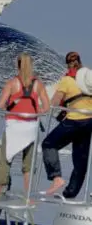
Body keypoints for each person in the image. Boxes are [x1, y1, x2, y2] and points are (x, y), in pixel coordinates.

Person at [0, 53, 50, 203]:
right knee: (28, 164)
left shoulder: (12, 83)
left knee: (5, 160)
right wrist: (35, 111)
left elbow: (1, 105)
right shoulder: (38, 84)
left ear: (18, 65)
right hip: (31, 128)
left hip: (14, 127)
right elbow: (46, 107)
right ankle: (28, 197)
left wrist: (10, 104)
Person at [42, 51, 92, 197]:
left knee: (49, 144)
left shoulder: (67, 80)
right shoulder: (88, 78)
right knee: (80, 159)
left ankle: (56, 177)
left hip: (74, 120)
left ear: (67, 64)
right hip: (89, 121)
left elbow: (55, 102)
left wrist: (46, 107)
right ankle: (70, 194)